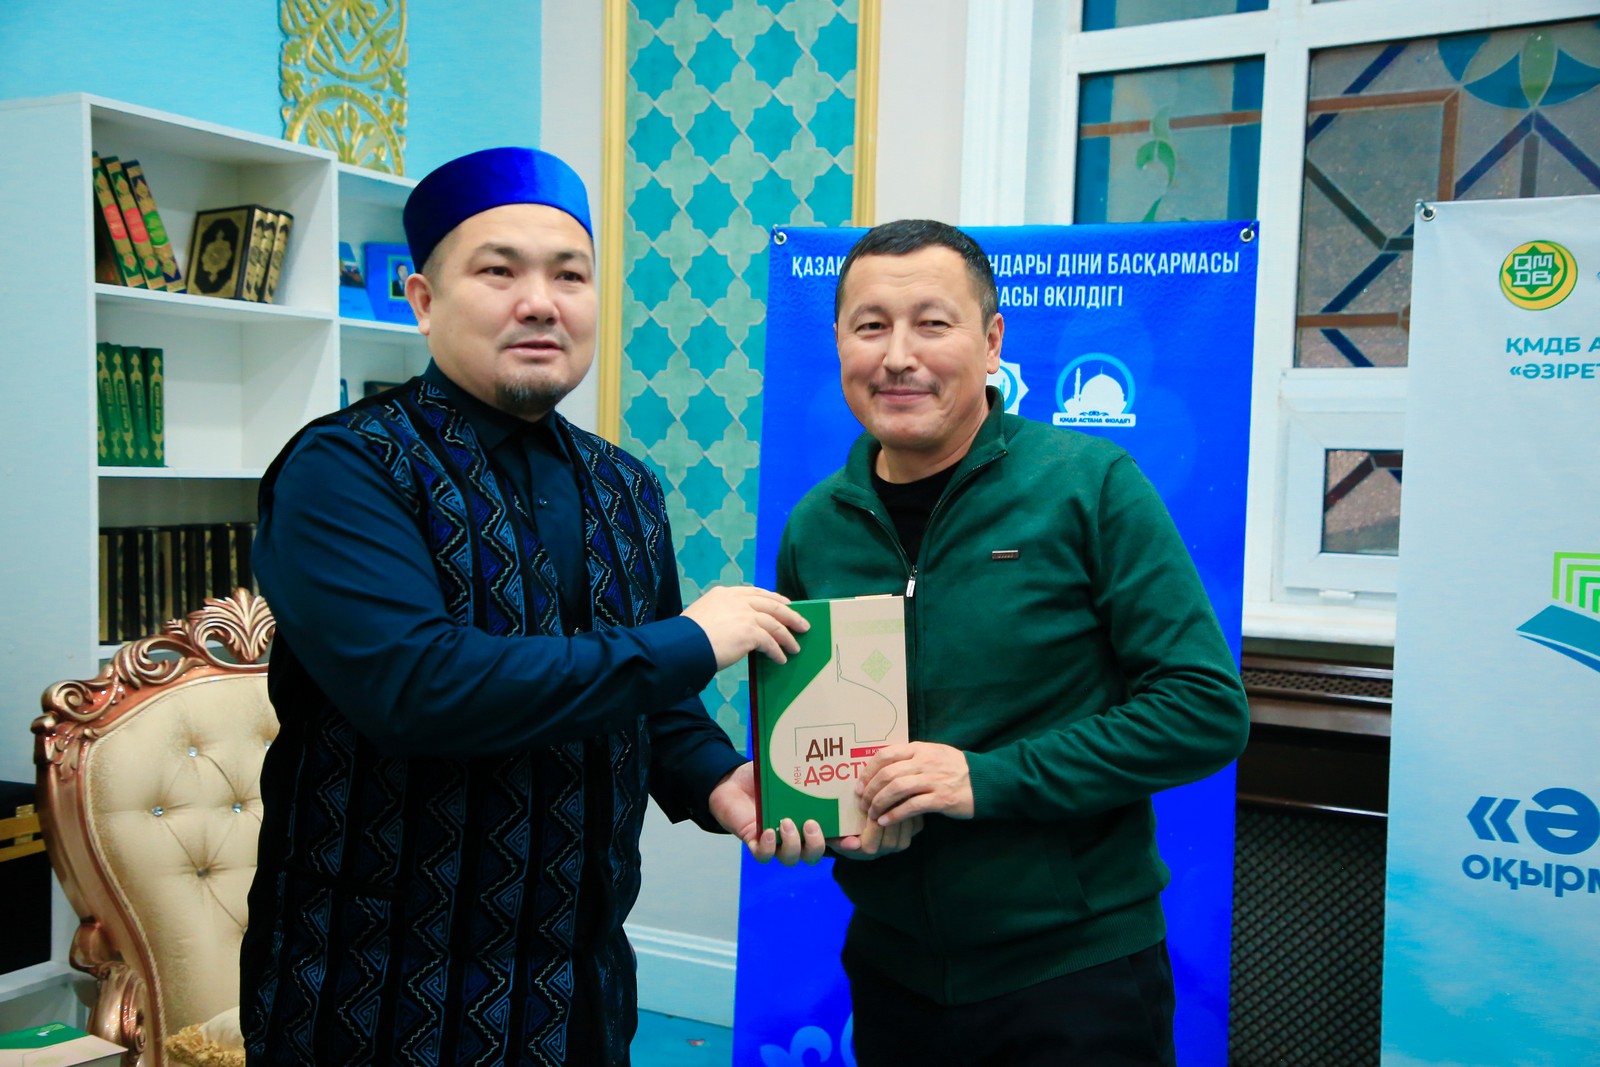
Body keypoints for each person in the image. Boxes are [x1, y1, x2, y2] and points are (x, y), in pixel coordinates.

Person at [240, 146, 824, 1067]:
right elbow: (421, 686)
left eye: (570, 275)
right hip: (380, 995)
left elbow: (655, 704)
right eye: (498, 271)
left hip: (584, 990)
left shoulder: (624, 485)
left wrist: (720, 780)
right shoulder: (347, 470)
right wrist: (688, 640)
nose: (541, 302)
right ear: (423, 300)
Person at [776, 219, 1251, 1066]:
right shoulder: (816, 527)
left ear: (992, 341)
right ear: (840, 342)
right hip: (892, 968)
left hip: (1074, 972)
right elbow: (822, 735)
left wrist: (984, 779)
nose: (898, 356)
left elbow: (1204, 710)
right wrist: (831, 812)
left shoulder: (1090, 486)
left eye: (932, 323)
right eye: (870, 326)